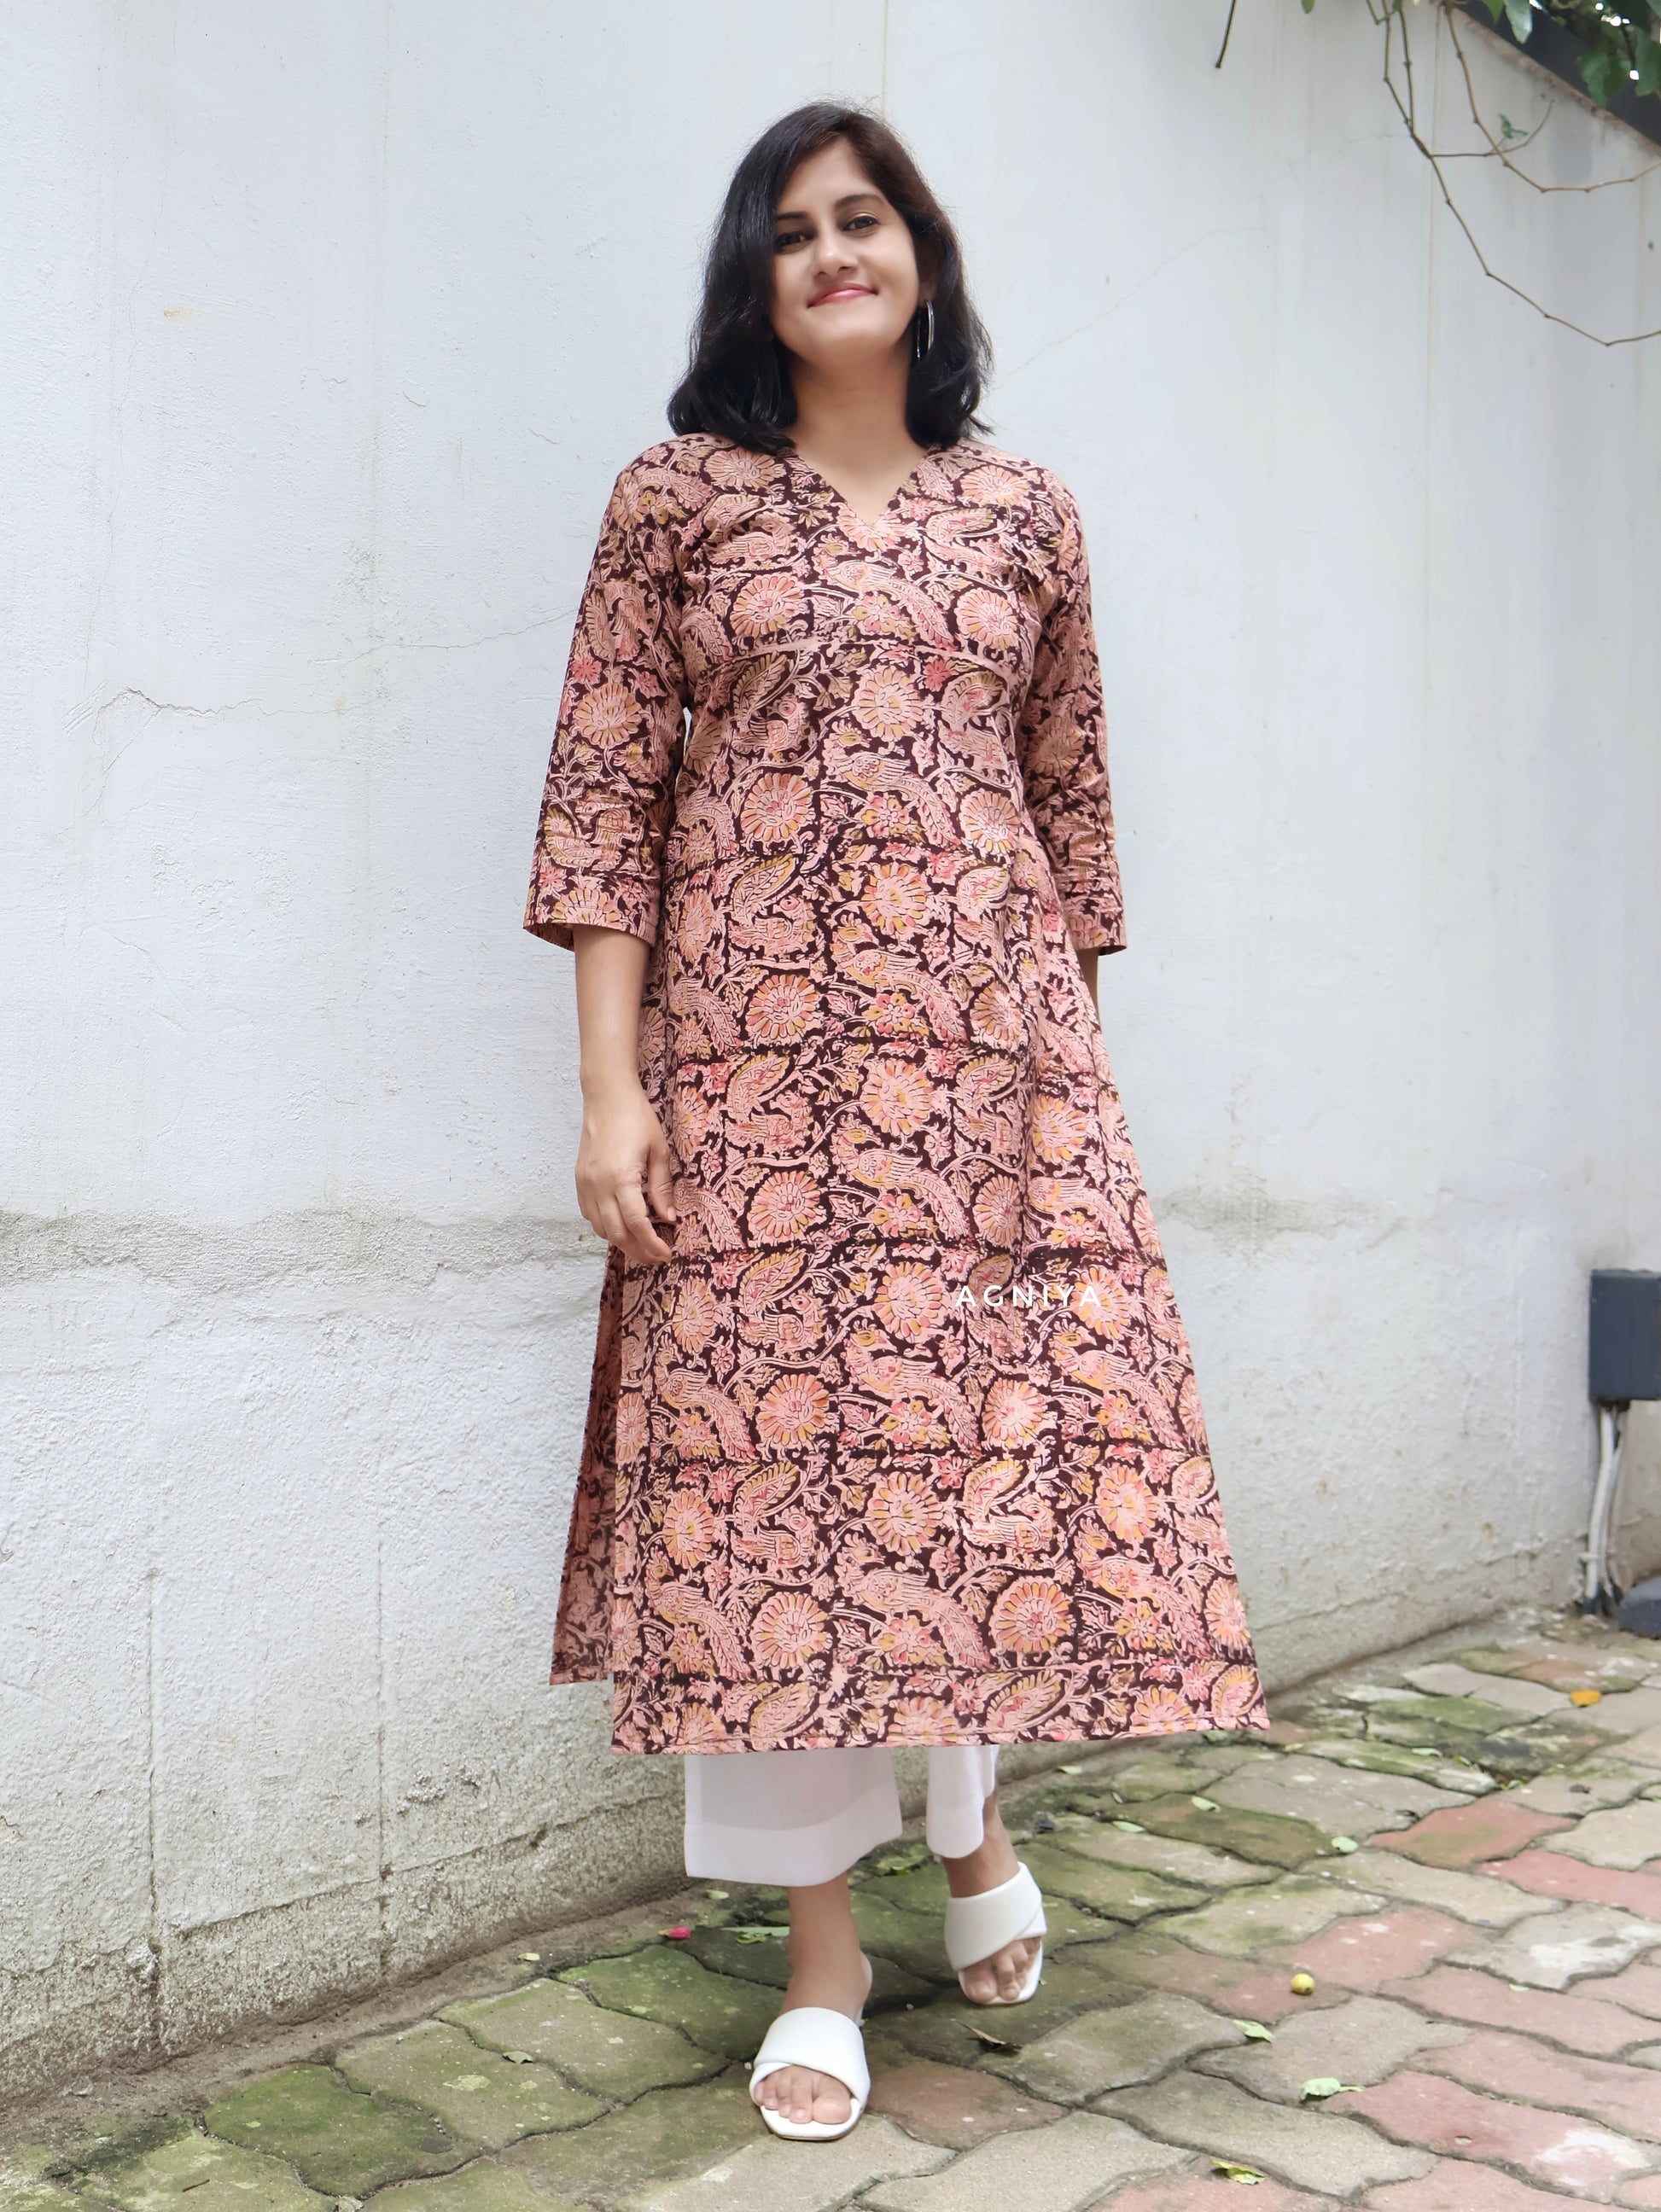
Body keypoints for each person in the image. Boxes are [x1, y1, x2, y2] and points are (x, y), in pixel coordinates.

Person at [523, 100, 1268, 2142]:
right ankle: (831, 1959)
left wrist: (1065, 1105)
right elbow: (602, 811)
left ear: (919, 254)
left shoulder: (1024, 512)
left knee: (970, 1486)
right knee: (774, 1520)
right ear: (749, 282)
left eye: (862, 218)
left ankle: (968, 1825)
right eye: (789, 231)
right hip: (752, 1091)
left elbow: (1069, 818)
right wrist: (612, 1094)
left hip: (989, 1094)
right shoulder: (678, 502)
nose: (830, 252)